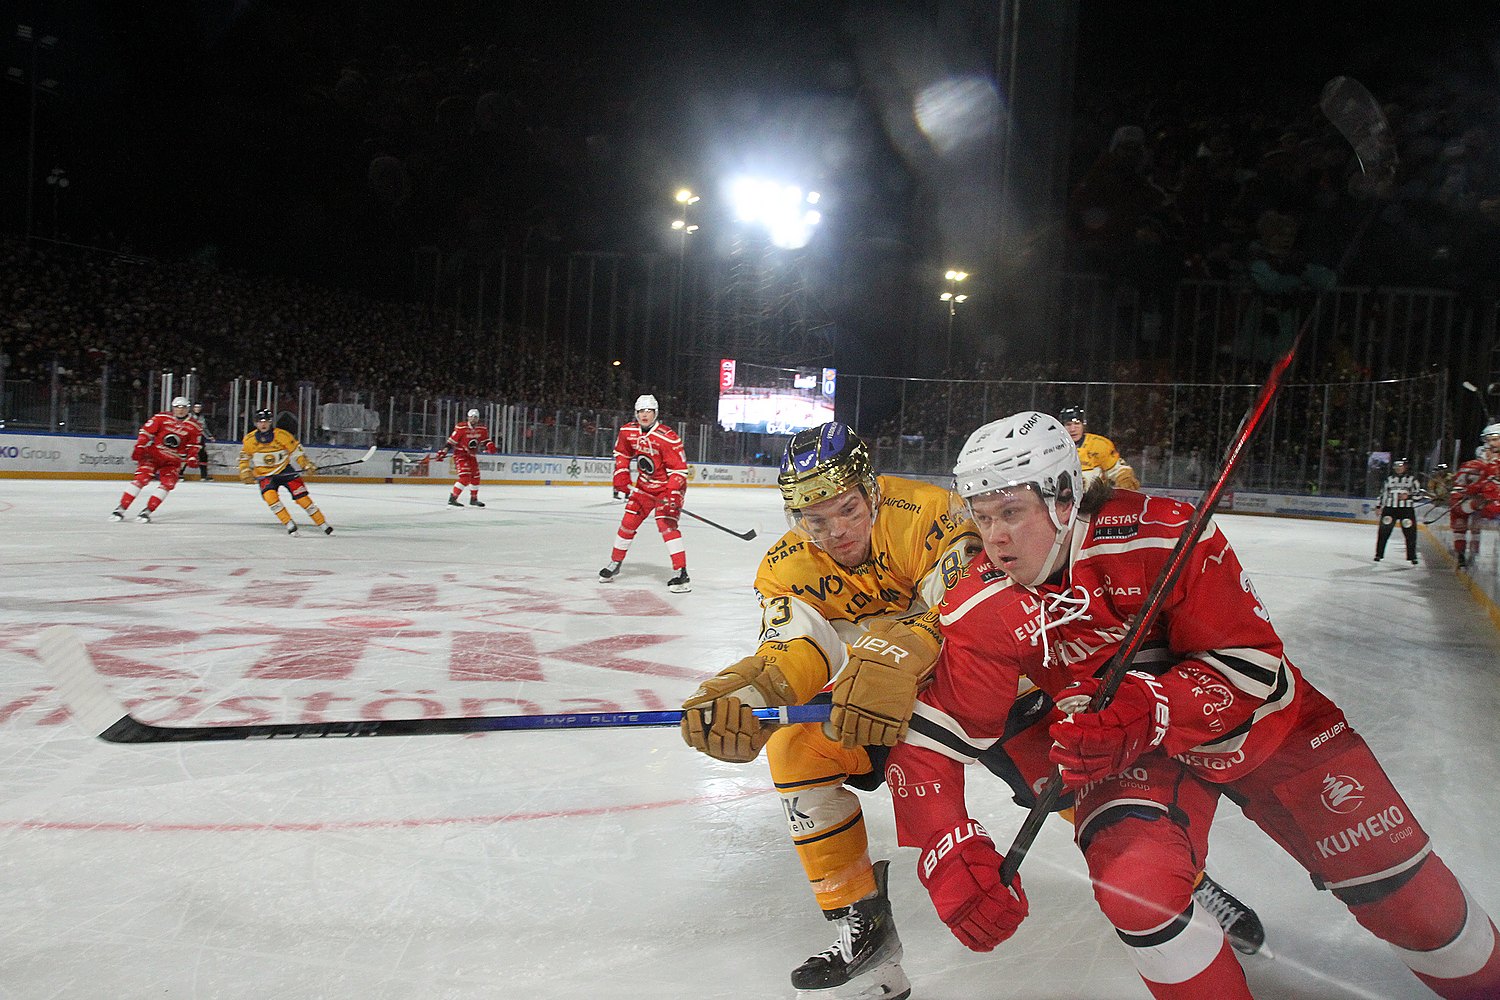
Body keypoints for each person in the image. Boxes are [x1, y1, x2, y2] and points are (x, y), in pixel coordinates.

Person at [884, 411, 1500, 999]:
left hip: (1266, 729)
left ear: (1063, 498)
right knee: (1136, 890)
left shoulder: (1161, 532)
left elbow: (1250, 664)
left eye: (1011, 513)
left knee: (1418, 908)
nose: (993, 538)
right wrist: (948, 852)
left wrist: (1147, 707)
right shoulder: (980, 604)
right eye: (982, 515)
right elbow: (930, 744)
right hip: (1126, 755)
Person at [676, 421, 1263, 999]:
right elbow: (794, 646)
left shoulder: (928, 515)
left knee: (1080, 795)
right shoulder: (786, 565)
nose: (834, 532)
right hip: (890, 707)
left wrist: (893, 651)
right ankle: (865, 935)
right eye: (815, 519)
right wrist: (751, 695)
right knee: (794, 749)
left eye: (848, 509)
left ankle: (1189, 880)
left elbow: (963, 611)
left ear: (871, 492)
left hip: (997, 692)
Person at [598, 394, 691, 592]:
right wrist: (621, 474)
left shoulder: (667, 437)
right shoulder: (628, 431)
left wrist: (673, 493)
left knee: (666, 525)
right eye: (641, 411)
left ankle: (681, 573)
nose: (644, 415)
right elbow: (622, 453)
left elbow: (679, 470)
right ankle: (615, 563)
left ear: (656, 413)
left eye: (648, 411)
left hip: (667, 488)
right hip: (643, 487)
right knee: (628, 523)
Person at [237, 409, 333, 535]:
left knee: (303, 498)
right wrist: (244, 471)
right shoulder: (249, 440)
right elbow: (244, 458)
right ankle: (289, 523)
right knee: (271, 498)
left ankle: (323, 524)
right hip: (264, 475)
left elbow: (297, 452)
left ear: (271, 422)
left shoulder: (282, 435)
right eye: (260, 421)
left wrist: (306, 464)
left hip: (285, 471)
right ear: (255, 423)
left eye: (266, 421)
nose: (263, 424)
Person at [111, 396, 202, 523]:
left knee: (168, 484)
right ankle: (121, 508)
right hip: (153, 455)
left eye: (183, 408)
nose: (180, 410)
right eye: (177, 407)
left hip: (172, 460)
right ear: (173, 408)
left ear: (188, 409)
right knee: (141, 479)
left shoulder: (195, 426)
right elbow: (146, 432)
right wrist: (140, 446)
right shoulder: (161, 418)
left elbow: (194, 445)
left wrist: (192, 456)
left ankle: (147, 511)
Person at [1448, 425, 1500, 569]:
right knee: (1461, 523)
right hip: (1480, 503)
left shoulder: (1488, 465)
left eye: (1494, 440)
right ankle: (1463, 554)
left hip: (1487, 505)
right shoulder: (1475, 465)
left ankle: (1466, 553)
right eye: (1489, 442)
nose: (1491, 445)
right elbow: (1462, 487)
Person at [1058, 405, 1139, 488]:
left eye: (1077, 423)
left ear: (1083, 425)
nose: (1072, 429)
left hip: (1093, 499)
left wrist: (1124, 478)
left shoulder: (1099, 445)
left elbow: (1119, 471)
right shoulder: (1052, 446)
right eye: (1068, 424)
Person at [434, 408, 497, 508]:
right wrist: (444, 451)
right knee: (465, 477)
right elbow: (451, 442)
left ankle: (474, 499)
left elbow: (485, 440)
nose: (473, 419)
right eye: (471, 417)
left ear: (478, 418)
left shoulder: (482, 428)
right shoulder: (461, 428)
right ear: (468, 417)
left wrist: (490, 445)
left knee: (476, 477)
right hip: (460, 455)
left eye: (475, 417)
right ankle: (453, 498)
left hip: (471, 456)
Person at [1374, 456, 1421, 564]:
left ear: (1405, 467)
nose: (1398, 468)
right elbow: (1383, 494)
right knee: (1384, 532)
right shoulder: (1389, 479)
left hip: (1406, 509)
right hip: (1390, 509)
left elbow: (1419, 495)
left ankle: (1412, 556)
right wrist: (1378, 506)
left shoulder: (1412, 480)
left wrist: (1408, 496)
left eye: (1400, 466)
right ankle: (1379, 554)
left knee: (1410, 533)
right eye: (1396, 466)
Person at [188, 402, 214, 481]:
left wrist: (209, 436)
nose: (197, 409)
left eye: (199, 407)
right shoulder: (189, 416)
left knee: (203, 456)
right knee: (187, 455)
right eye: (196, 407)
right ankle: (180, 473)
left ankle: (204, 475)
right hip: (190, 438)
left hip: (200, 438)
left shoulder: (202, 417)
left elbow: (204, 428)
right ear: (193, 408)